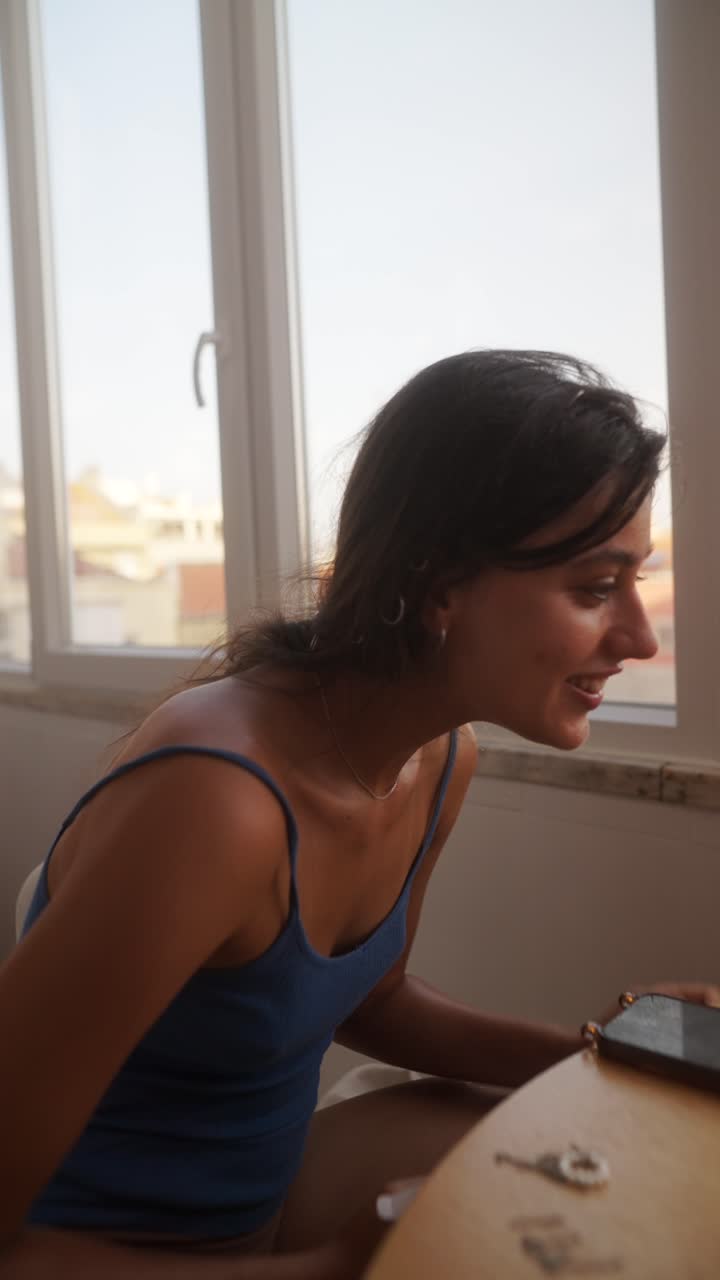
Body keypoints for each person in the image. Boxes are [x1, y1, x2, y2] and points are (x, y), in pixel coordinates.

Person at [1, 349, 716, 1280]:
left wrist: (613, 1053)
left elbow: (371, 1002)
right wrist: (341, 1267)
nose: (640, 636)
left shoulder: (437, 758)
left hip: (260, 1204)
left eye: (636, 580)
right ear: (439, 588)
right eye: (593, 588)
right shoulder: (217, 804)